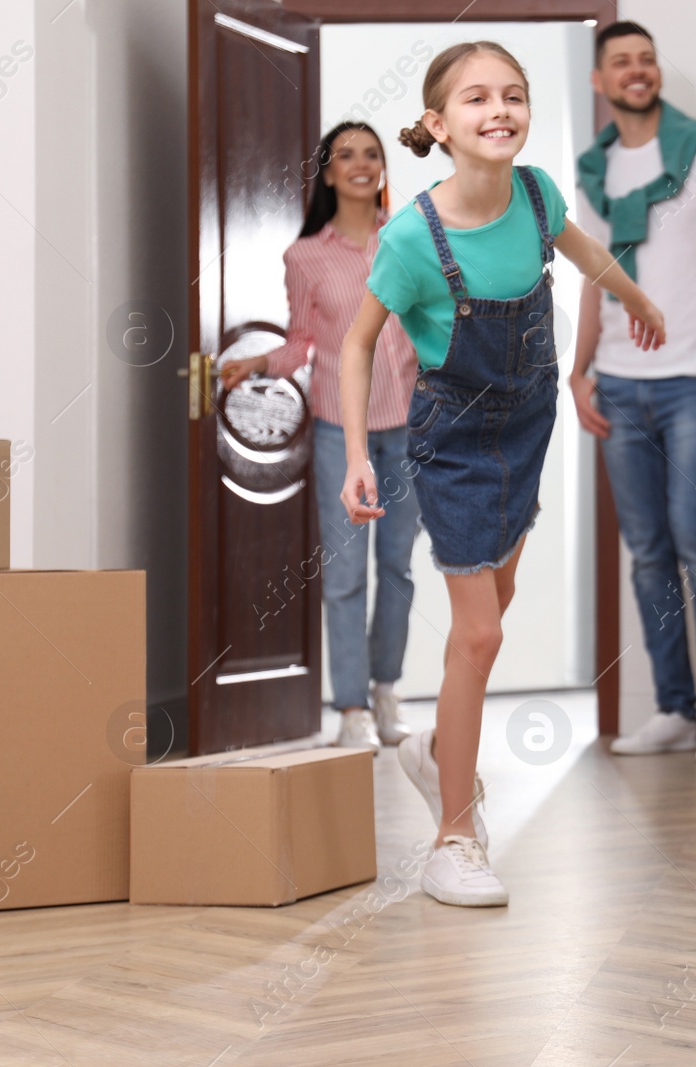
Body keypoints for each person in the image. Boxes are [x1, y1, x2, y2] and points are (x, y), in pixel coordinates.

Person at [338, 41, 666, 908]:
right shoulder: (412, 236)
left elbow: (584, 249)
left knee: (487, 624)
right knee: (480, 637)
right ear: (440, 125)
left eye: (513, 95)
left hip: (527, 427)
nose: (501, 109)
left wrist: (634, 299)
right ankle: (454, 835)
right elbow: (357, 342)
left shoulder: (535, 192)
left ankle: (430, 750)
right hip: (451, 442)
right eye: (477, 98)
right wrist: (355, 459)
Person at [570, 21, 696, 763]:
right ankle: (674, 708)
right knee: (648, 549)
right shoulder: (594, 173)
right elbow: (597, 278)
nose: (635, 69)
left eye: (646, 59)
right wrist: (578, 370)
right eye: (620, 61)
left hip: (694, 379)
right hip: (619, 386)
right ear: (601, 81)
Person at [220, 122, 419, 754]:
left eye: (371, 155)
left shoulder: (411, 239)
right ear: (328, 174)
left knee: (398, 568)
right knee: (344, 574)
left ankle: (386, 689)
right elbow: (302, 341)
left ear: (383, 169)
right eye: (345, 156)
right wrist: (256, 364)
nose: (360, 164)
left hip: (410, 426)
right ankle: (352, 707)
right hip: (342, 427)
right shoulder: (305, 256)